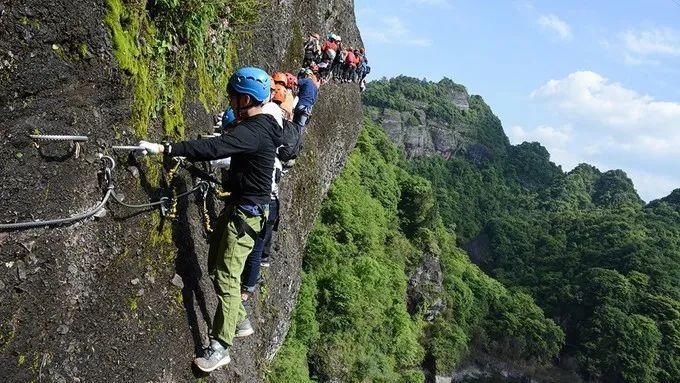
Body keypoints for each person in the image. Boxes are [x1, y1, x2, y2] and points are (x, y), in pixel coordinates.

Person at [137, 67, 283, 373]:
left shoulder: (254, 130)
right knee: (217, 268)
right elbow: (221, 148)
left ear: (245, 98)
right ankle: (238, 317)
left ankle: (220, 347)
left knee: (228, 278)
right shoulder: (265, 123)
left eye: (233, 97)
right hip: (244, 211)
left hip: (245, 215)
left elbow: (216, 147)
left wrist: (167, 148)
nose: (230, 102)